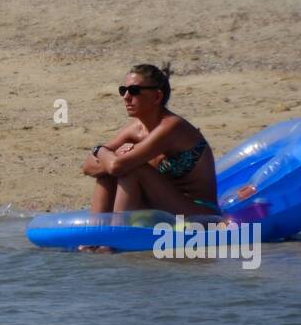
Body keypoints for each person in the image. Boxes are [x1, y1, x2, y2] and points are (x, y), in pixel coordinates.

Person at [81, 62, 219, 219]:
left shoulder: (172, 126)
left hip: (198, 214)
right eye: (123, 90)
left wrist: (100, 151)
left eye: (134, 91)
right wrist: (111, 158)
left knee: (132, 168)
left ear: (157, 96)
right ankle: (96, 237)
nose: (126, 97)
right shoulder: (135, 129)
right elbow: (88, 166)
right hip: (160, 208)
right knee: (107, 173)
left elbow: (116, 166)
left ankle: (115, 237)